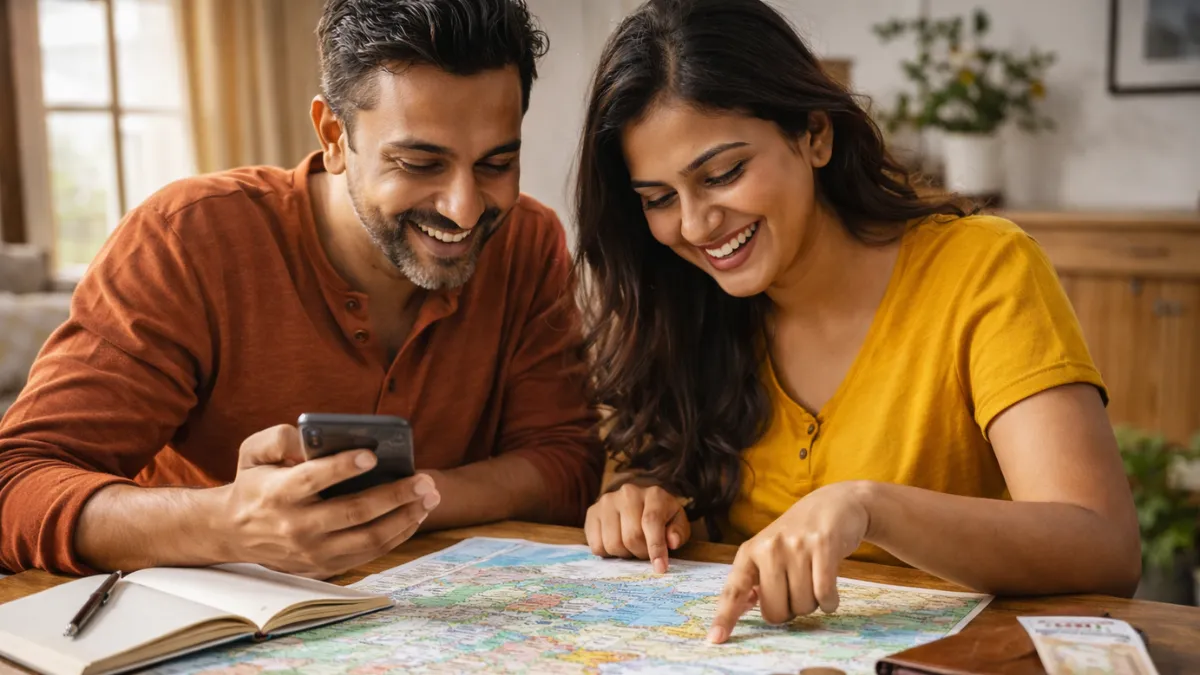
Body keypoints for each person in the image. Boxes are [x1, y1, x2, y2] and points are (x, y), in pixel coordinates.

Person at [574, 0, 1141, 644]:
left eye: (725, 173)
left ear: (815, 134)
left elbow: (1103, 547)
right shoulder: (674, 303)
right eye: (658, 199)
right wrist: (633, 506)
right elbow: (638, 481)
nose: (697, 225)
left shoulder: (983, 267)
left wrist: (870, 509)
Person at [0, 0, 603, 578]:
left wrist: (383, 505)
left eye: (496, 164)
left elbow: (565, 466)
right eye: (420, 164)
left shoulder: (527, 241)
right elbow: (15, 482)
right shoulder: (189, 237)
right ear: (334, 135)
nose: (465, 209)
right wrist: (227, 523)